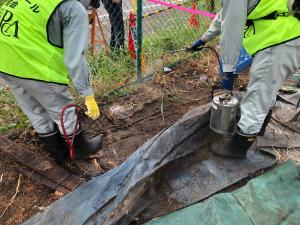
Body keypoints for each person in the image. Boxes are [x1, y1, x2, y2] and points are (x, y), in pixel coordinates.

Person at [188, 0, 300, 158]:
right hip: (287, 34)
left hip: (280, 39)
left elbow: (231, 29)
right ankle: (257, 129)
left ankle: (238, 148)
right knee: (266, 88)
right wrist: (205, 38)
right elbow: (227, 14)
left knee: (258, 93)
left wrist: (228, 68)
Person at [0, 0, 103, 162]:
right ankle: (79, 149)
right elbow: (75, 59)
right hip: (31, 62)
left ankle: (58, 153)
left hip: (4, 59)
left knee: (34, 108)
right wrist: (87, 94)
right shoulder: (74, 8)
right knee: (62, 108)